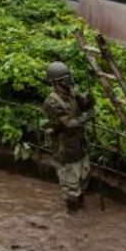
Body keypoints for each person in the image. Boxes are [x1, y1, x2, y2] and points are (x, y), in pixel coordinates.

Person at [42, 61, 96, 212]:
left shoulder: (72, 93)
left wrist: (89, 101)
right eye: (65, 79)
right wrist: (86, 117)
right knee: (71, 186)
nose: (69, 81)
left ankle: (80, 206)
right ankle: (72, 212)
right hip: (65, 149)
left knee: (84, 178)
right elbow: (69, 125)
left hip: (79, 145)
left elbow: (83, 104)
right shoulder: (51, 103)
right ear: (56, 82)